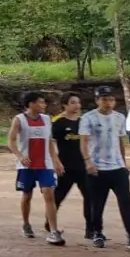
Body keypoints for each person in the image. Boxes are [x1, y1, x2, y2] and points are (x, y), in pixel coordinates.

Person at [81, 86, 130, 251]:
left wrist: (124, 164)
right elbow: (83, 142)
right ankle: (97, 233)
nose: (108, 102)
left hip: (117, 168)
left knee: (126, 202)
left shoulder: (119, 117)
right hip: (97, 168)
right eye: (104, 99)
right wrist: (88, 162)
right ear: (97, 100)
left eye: (111, 99)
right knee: (97, 204)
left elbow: (120, 141)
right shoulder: (88, 118)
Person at [6, 92, 66, 245]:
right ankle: (26, 224)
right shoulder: (19, 120)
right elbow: (11, 141)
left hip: (45, 164)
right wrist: (20, 156)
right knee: (27, 196)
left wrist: (56, 160)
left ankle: (53, 230)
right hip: (27, 165)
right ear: (31, 104)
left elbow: (50, 142)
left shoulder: (47, 119)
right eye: (40, 102)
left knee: (49, 195)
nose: (44, 105)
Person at [50, 92, 94, 239]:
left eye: (78, 102)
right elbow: (51, 144)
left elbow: (89, 142)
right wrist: (56, 162)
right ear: (65, 104)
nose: (77, 105)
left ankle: (90, 229)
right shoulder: (57, 122)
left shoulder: (83, 121)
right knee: (58, 196)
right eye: (73, 102)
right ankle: (49, 222)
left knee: (89, 196)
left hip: (83, 166)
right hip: (65, 166)